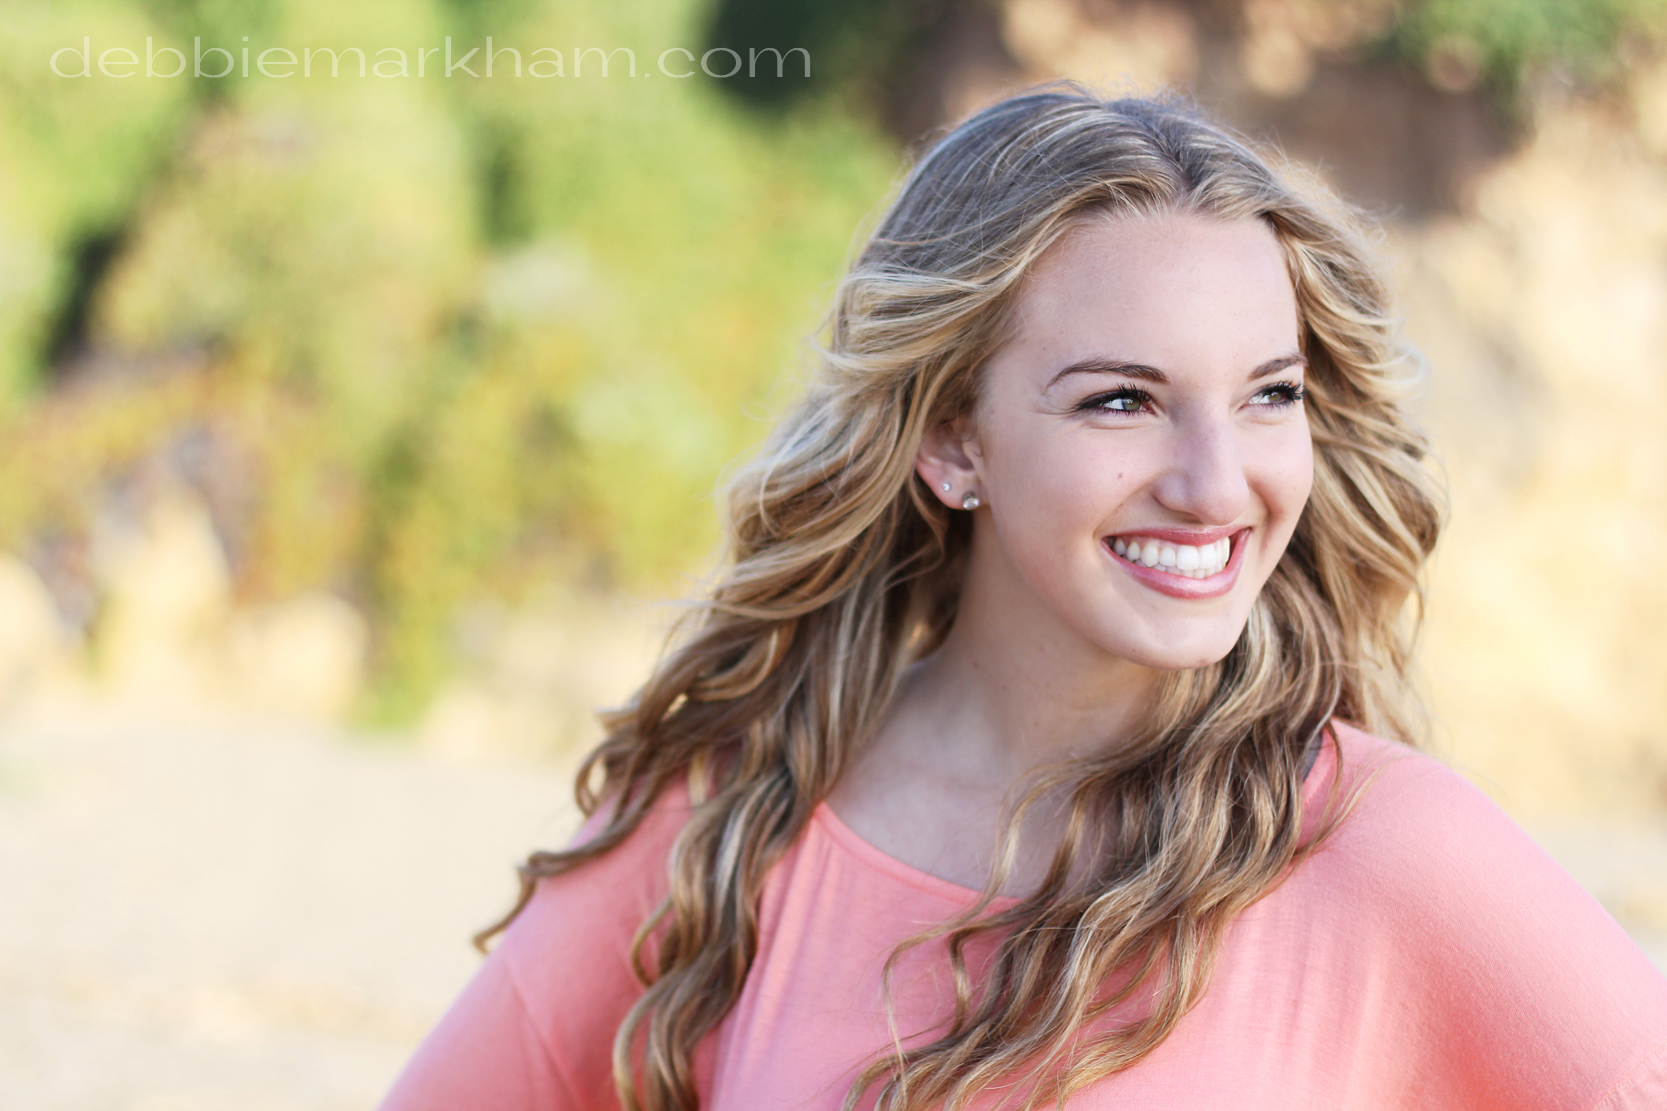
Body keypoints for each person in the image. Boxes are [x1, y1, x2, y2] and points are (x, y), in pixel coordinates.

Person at [379, 86, 1667, 1111]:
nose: (1218, 485)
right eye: (1123, 401)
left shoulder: (1388, 851)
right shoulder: (738, 813)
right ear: (952, 439)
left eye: (1270, 395)